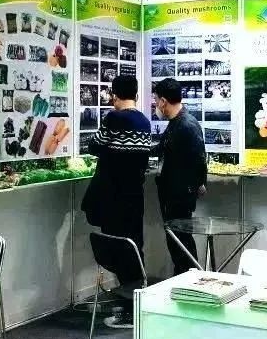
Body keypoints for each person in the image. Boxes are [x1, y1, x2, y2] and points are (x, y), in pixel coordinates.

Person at [81, 75, 151, 326]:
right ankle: (137, 304)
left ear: (114, 95)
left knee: (118, 250)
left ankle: (129, 310)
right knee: (134, 247)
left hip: (113, 197)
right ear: (136, 94)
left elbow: (94, 146)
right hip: (135, 196)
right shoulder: (144, 121)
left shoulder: (114, 118)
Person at [152, 78, 207, 276]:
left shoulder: (187, 124)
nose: (156, 105)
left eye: (156, 100)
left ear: (163, 101)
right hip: (171, 192)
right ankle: (183, 277)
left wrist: (199, 183)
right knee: (175, 241)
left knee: (181, 242)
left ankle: (191, 279)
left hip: (179, 194)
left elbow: (200, 158)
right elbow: (161, 148)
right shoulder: (175, 123)